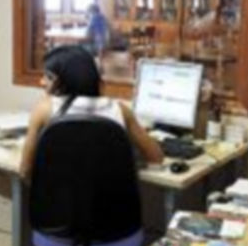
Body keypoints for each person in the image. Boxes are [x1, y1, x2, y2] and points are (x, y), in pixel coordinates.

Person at [19, 45, 164, 180]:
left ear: (62, 81)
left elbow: (25, 170)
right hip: (111, 205)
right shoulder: (120, 110)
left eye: (47, 77)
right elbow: (156, 158)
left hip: (58, 204)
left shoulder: (44, 110)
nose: (41, 82)